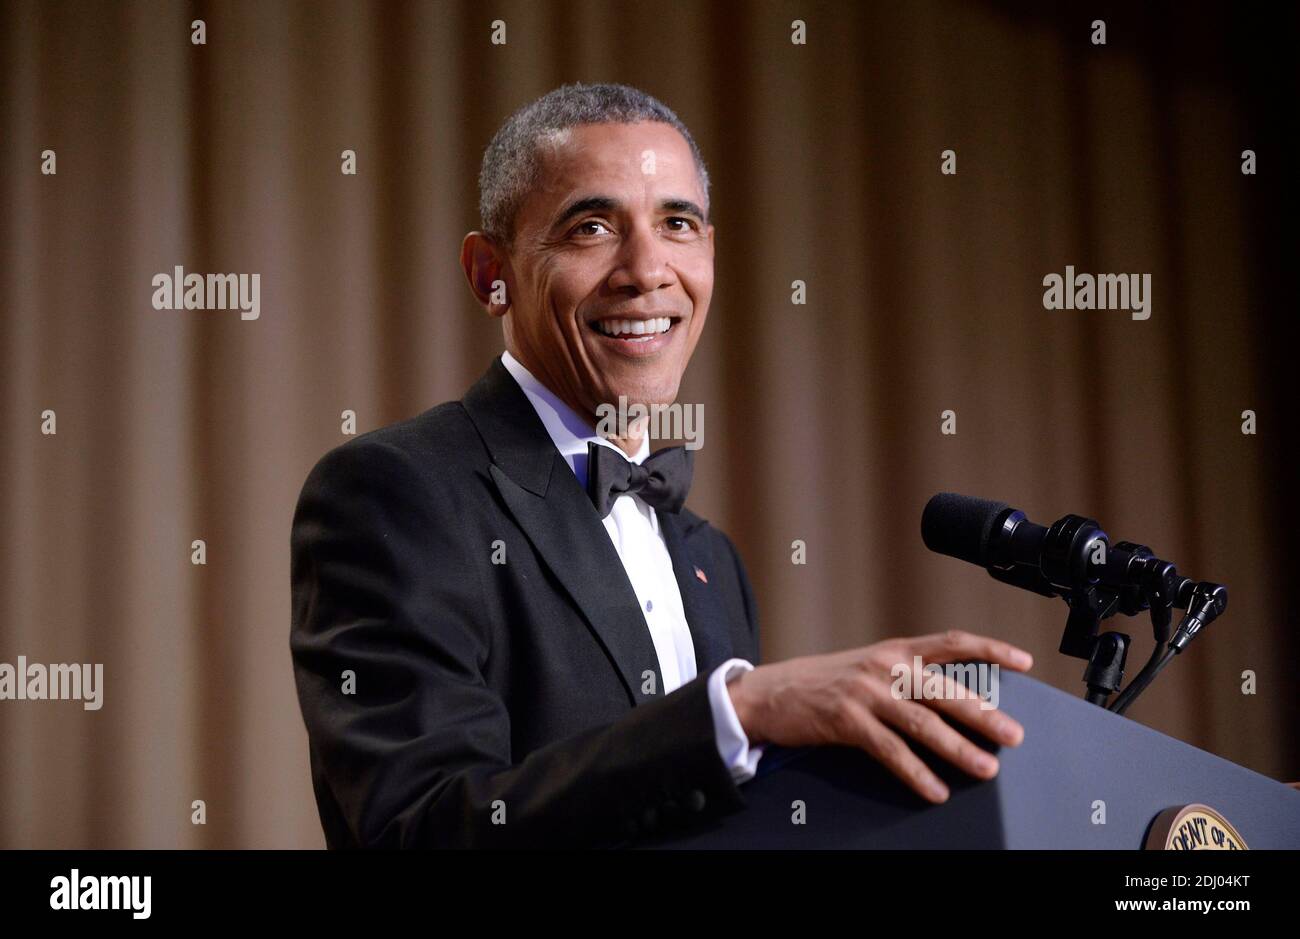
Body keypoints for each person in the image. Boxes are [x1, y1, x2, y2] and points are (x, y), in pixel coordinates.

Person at [289, 82, 1033, 848]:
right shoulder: (394, 491)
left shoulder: (711, 559)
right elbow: (420, 828)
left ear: (709, 251)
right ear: (491, 275)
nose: (647, 270)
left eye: (677, 223)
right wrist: (734, 712)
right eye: (591, 227)